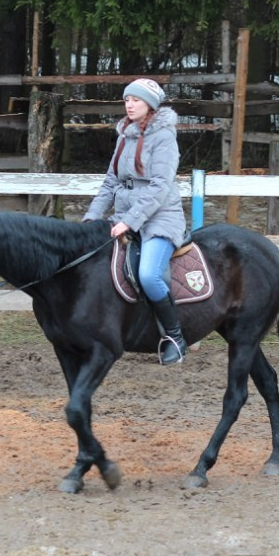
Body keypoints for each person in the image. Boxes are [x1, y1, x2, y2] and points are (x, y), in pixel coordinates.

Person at [84, 78, 190, 364]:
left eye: (136, 100)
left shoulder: (164, 137)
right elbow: (110, 182)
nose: (129, 105)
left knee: (148, 275)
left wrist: (129, 222)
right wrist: (91, 217)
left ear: (150, 105)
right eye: (127, 100)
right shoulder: (124, 135)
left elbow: (160, 186)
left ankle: (175, 338)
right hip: (125, 216)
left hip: (160, 218)